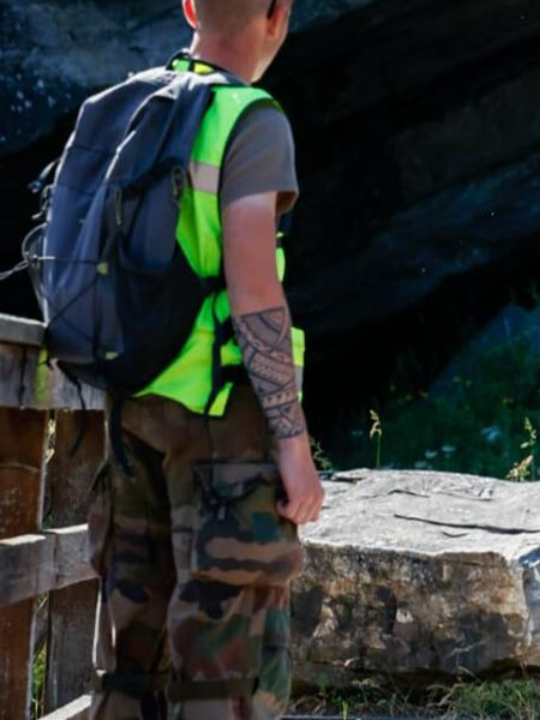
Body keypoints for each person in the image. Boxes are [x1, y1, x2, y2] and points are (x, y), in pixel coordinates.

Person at [87, 1, 325, 719]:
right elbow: (253, 289)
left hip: (130, 411)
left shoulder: (127, 108)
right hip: (222, 427)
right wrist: (293, 442)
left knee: (132, 663)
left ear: (190, 6)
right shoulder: (248, 118)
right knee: (228, 672)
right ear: (278, 15)